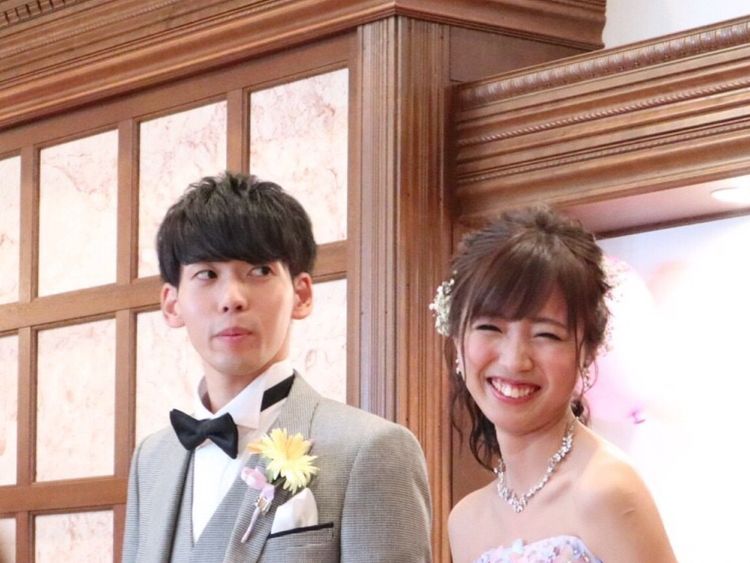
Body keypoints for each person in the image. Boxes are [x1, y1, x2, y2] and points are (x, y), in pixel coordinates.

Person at [122, 172, 431, 562]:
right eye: (207, 274)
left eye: (259, 271)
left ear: (301, 295)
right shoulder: (151, 459)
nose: (232, 298)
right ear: (172, 304)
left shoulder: (372, 449)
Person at [435, 206, 676, 563]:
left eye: (546, 334)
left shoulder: (607, 490)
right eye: (489, 328)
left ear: (587, 351)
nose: (515, 360)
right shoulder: (465, 521)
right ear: (457, 341)